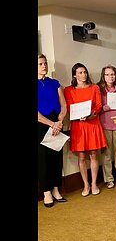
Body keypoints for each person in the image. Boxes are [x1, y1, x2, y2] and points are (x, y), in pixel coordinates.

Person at [64, 63, 107, 197]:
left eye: (85, 72)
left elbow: (98, 105)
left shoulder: (94, 87)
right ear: (74, 75)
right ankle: (85, 184)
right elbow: (69, 107)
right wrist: (79, 115)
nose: (84, 75)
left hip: (92, 123)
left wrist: (91, 114)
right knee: (81, 156)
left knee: (94, 154)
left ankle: (94, 183)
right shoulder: (69, 90)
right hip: (78, 125)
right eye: (80, 72)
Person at [38, 54, 68, 207]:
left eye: (45, 63)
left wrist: (60, 121)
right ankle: (46, 192)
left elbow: (63, 105)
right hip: (41, 124)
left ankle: (56, 189)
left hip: (57, 122)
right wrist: (52, 124)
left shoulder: (55, 83)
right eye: (40, 64)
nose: (44, 66)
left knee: (56, 156)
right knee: (43, 159)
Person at [97, 65, 116, 189]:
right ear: (103, 77)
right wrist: (102, 109)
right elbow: (95, 108)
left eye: (112, 74)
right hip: (105, 125)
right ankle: (109, 178)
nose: (110, 77)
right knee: (107, 154)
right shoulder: (99, 91)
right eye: (108, 74)